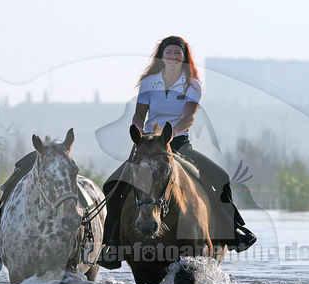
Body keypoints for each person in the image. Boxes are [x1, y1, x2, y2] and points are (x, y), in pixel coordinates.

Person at [98, 36, 256, 270]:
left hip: (178, 143)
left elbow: (188, 118)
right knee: (112, 185)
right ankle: (111, 245)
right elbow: (139, 114)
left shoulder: (192, 84)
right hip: (148, 145)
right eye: (169, 53)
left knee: (220, 177)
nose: (173, 57)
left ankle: (233, 231)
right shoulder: (149, 82)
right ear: (162, 56)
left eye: (177, 53)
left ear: (184, 57)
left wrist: (169, 136)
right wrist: (140, 130)